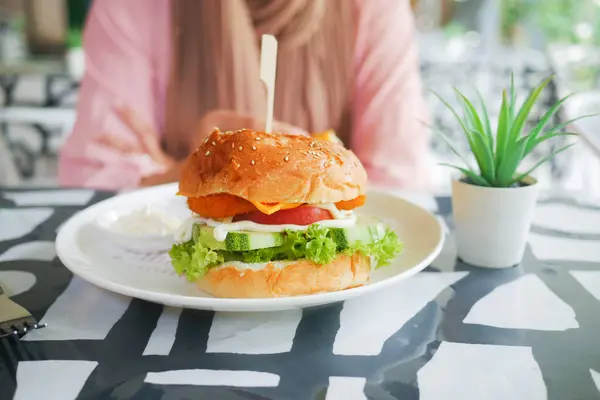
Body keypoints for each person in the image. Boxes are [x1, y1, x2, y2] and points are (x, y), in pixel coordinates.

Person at [58, 0, 433, 191]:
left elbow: (401, 179)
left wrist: (165, 173)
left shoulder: (374, 8)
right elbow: (90, 179)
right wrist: (196, 167)